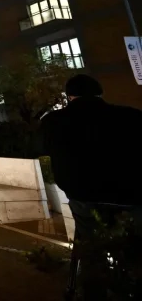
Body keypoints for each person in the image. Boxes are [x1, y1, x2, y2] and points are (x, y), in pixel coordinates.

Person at [40, 74, 142, 298]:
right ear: (100, 93)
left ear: (69, 96)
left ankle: (95, 291)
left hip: (82, 194)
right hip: (132, 195)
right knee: (136, 246)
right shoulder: (131, 116)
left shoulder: (53, 121)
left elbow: (44, 149)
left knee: (90, 246)